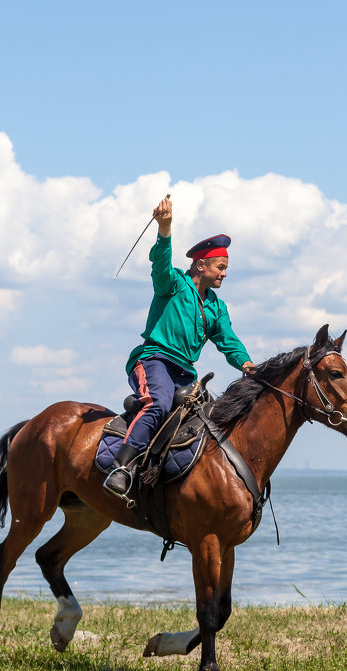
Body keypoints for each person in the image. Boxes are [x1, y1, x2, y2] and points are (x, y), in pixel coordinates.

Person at [103, 197, 256, 500]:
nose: (225, 273)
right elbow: (160, 264)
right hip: (153, 361)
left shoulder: (217, 307)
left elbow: (228, 341)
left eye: (226, 268)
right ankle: (120, 468)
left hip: (186, 373)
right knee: (158, 403)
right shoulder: (172, 284)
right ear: (201, 265)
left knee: (208, 419)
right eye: (220, 267)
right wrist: (165, 227)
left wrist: (248, 365)